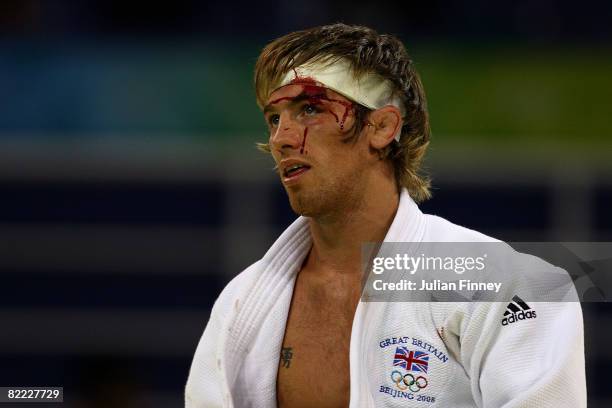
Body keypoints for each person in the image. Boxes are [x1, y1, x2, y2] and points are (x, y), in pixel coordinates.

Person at [185, 24, 586, 407]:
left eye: (308, 109)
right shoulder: (241, 302)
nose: (281, 139)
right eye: (275, 119)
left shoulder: (507, 284)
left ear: (381, 126)